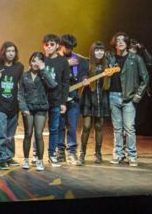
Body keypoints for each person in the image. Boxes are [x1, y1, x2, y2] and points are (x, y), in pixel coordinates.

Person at [106, 32, 149, 166]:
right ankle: (118, 155)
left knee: (129, 128)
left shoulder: (135, 58)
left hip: (129, 97)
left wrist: (138, 95)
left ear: (127, 43)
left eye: (123, 40)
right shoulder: (110, 59)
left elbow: (145, 78)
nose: (120, 42)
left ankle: (132, 156)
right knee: (117, 128)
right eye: (117, 40)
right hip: (113, 95)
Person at [18, 52, 58, 171]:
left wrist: (43, 70)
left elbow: (53, 85)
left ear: (43, 63)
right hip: (28, 108)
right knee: (28, 133)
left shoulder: (44, 75)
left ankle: (40, 161)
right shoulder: (25, 75)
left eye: (39, 61)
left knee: (39, 134)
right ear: (30, 62)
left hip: (41, 108)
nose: (36, 63)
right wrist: (23, 108)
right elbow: (20, 94)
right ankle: (25, 159)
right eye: (34, 60)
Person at [0, 42, 24, 169]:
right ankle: (1, 157)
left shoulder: (19, 67)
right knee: (0, 133)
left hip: (14, 106)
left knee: (10, 135)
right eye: (8, 51)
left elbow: (21, 86)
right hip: (0, 105)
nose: (11, 53)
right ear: (3, 52)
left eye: (13, 51)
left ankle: (9, 157)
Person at [58, 34, 89, 165]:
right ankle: (60, 152)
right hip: (58, 99)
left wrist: (84, 80)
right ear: (61, 45)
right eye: (67, 47)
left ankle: (72, 153)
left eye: (71, 47)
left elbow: (82, 75)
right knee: (59, 126)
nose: (69, 50)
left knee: (72, 126)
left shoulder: (79, 60)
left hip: (74, 99)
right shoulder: (55, 59)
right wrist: (65, 64)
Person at [79, 42, 111, 164]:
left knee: (99, 126)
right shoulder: (86, 63)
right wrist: (83, 79)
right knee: (86, 126)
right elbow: (80, 73)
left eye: (101, 50)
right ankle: (82, 153)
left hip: (101, 99)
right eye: (97, 50)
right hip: (88, 98)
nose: (99, 52)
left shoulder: (106, 64)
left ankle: (98, 154)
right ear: (92, 51)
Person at [42, 34, 71, 166]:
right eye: (46, 44)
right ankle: (37, 154)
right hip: (41, 101)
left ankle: (52, 154)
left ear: (57, 45)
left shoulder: (63, 61)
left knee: (54, 128)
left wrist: (63, 102)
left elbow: (65, 83)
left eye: (52, 44)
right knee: (38, 129)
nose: (49, 47)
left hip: (56, 100)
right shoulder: (41, 59)